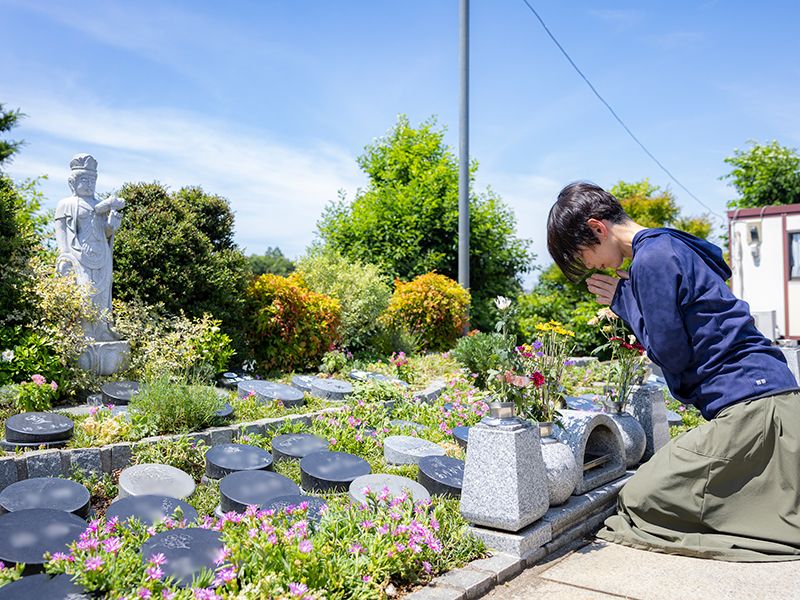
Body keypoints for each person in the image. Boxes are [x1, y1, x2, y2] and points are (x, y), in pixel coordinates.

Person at [547, 181, 800, 561]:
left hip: (753, 411)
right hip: (774, 399)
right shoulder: (672, 243)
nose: (590, 267)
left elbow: (672, 355)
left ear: (597, 228)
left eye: (583, 256)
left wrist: (623, 301)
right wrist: (632, 296)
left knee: (638, 499)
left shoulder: (650, 259)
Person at [55, 154, 125, 341]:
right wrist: (64, 257)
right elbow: (62, 235)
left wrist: (111, 226)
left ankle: (102, 331)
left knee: (102, 296)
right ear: (73, 182)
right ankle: (84, 331)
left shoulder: (99, 204)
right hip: (79, 256)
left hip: (101, 255)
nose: (89, 184)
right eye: (84, 180)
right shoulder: (66, 205)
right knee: (85, 293)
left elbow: (105, 233)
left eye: (92, 180)